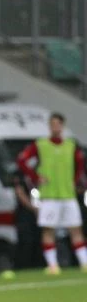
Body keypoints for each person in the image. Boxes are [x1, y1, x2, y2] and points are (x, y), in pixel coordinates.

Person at [16, 112, 87, 273]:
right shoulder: (41, 145)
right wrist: (35, 176)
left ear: (62, 126)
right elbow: (22, 160)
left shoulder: (70, 145)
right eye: (52, 124)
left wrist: (75, 181)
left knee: (75, 229)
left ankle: (84, 262)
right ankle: (53, 265)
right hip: (49, 195)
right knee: (49, 229)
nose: (55, 127)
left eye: (57, 124)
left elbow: (80, 165)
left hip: (67, 194)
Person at [12, 167, 44, 270]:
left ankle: (38, 265)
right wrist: (33, 207)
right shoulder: (20, 173)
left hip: (39, 212)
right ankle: (23, 267)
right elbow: (19, 192)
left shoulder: (38, 171)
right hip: (24, 214)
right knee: (26, 241)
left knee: (38, 239)